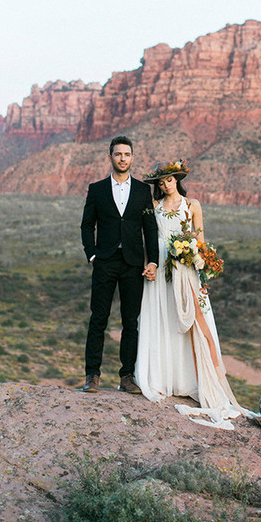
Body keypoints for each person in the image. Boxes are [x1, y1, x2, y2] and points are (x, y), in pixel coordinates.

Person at [135, 160, 249, 429]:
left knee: (195, 319)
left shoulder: (193, 205)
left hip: (185, 267)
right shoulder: (153, 208)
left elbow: (199, 238)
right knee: (162, 317)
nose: (166, 185)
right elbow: (148, 241)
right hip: (161, 263)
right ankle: (164, 378)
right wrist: (148, 264)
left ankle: (195, 380)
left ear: (177, 179)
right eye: (161, 183)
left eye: (170, 180)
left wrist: (196, 260)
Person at [80, 135, 159, 394]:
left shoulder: (142, 191)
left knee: (130, 322)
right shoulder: (97, 189)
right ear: (110, 157)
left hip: (133, 263)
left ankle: (127, 376)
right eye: (118, 154)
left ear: (132, 157)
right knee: (98, 319)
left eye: (126, 154)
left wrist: (154, 262)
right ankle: (92, 375)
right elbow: (86, 225)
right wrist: (92, 254)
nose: (122, 158)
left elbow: (150, 228)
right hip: (105, 262)